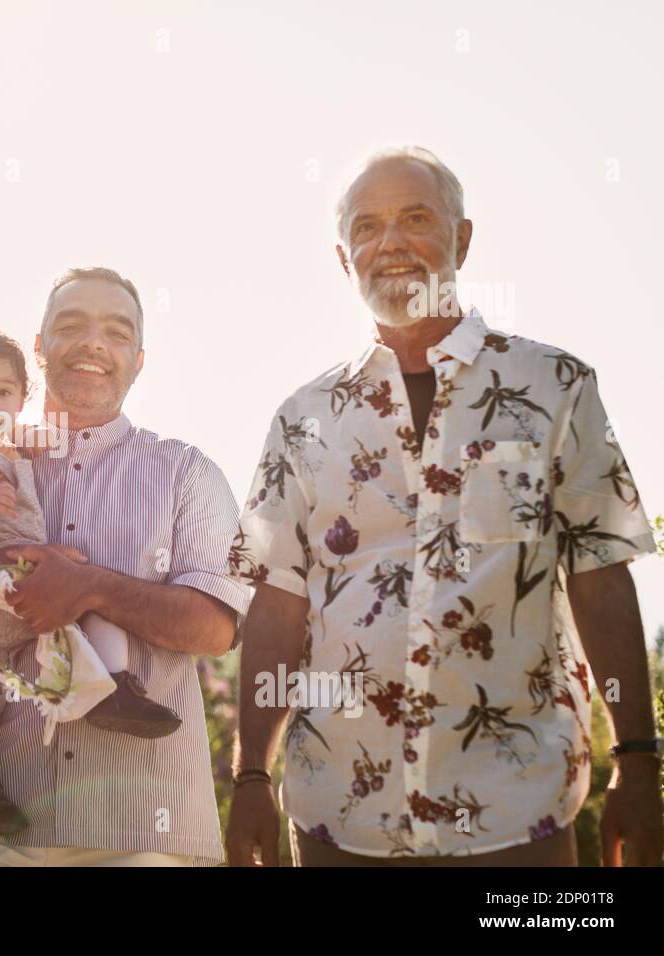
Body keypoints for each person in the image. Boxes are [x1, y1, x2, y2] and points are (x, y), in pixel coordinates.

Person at [226, 146, 663, 866]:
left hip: (518, 808)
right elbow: (277, 603)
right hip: (338, 813)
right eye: (367, 228)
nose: (390, 242)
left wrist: (638, 758)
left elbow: (601, 574)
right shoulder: (303, 417)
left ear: (462, 239)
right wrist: (248, 775)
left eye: (416, 218)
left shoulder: (555, 385)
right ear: (345, 259)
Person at [0, 267, 250, 866]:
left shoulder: (189, 475)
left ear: (139, 358)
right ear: (39, 349)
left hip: (142, 826)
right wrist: (4, 566)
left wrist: (88, 587)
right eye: (72, 325)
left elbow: (216, 628)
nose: (94, 343)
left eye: (117, 331)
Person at [0, 327, 162, 836]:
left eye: (3, 393)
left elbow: (55, 437)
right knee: (88, 595)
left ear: (22, 398)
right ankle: (116, 688)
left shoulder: (7, 440)